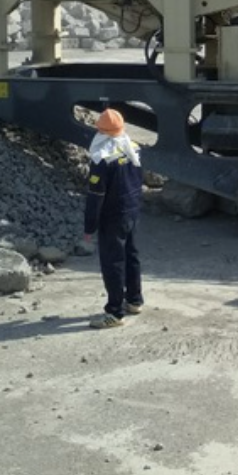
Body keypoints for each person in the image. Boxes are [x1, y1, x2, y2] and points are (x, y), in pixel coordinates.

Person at [82, 108, 145, 328]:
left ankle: (115, 313)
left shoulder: (102, 159)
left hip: (112, 217)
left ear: (101, 131)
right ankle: (135, 300)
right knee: (132, 255)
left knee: (113, 263)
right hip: (132, 211)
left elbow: (95, 197)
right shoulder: (133, 148)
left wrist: (89, 227)